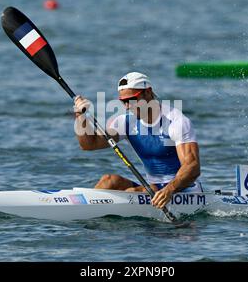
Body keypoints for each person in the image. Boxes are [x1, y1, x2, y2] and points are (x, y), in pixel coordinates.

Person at [73, 72, 201, 209]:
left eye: (131, 100)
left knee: (132, 192)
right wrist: (80, 116)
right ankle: (82, 212)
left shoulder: (176, 122)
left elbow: (192, 167)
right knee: (109, 181)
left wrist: (169, 190)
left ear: (148, 92)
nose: (127, 106)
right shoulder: (126, 122)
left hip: (184, 192)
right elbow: (89, 145)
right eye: (123, 101)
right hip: (152, 190)